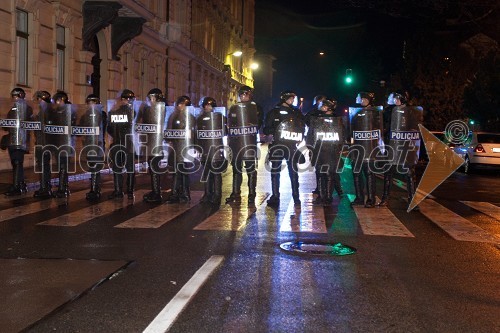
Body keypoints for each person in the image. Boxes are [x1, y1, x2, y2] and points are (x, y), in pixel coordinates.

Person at [379, 91, 422, 211]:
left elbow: (415, 128)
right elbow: (383, 126)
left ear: (400, 99)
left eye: (394, 98)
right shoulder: (388, 112)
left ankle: (412, 200)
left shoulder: (410, 112)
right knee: (388, 173)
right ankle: (385, 198)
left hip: (405, 147)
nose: (392, 99)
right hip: (391, 146)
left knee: (409, 174)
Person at [263, 90, 305, 206]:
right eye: (290, 98)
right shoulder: (274, 112)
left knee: (293, 171)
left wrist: (300, 135)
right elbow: (266, 128)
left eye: (293, 98)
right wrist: (275, 131)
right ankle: (275, 196)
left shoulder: (296, 112)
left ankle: (296, 196)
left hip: (291, 146)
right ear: (284, 99)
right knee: (275, 171)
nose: (292, 101)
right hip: (277, 145)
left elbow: (302, 125)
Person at [225, 86, 261, 205]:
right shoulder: (234, 108)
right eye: (241, 95)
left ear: (250, 95)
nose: (243, 97)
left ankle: (252, 195)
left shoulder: (256, 108)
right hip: (236, 144)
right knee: (236, 170)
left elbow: (259, 123)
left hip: (249, 144)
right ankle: (235, 193)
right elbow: (229, 124)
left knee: (251, 170)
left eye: (245, 94)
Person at [308, 99, 345, 205]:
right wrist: (310, 148)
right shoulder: (316, 119)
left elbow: (342, 135)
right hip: (319, 150)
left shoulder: (336, 120)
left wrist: (339, 148)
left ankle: (328, 196)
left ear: (329, 107)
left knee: (329, 174)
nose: (321, 107)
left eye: (323, 106)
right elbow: (311, 134)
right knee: (319, 173)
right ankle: (320, 195)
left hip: (331, 150)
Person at [349, 91, 382, 208]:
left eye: (364, 99)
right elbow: (352, 131)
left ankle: (371, 199)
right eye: (361, 99)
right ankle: (359, 197)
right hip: (358, 149)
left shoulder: (375, 113)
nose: (361, 101)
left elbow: (380, 130)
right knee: (357, 174)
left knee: (369, 174)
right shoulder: (356, 112)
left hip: (370, 149)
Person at [137, 88, 166, 203]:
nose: (150, 100)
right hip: (152, 144)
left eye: (151, 98)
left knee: (154, 168)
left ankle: (156, 193)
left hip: (156, 145)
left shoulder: (157, 110)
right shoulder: (157, 109)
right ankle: (155, 191)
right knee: (153, 168)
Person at [196, 97, 227, 206]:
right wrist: (197, 148)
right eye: (206, 105)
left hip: (216, 150)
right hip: (205, 150)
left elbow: (226, 131)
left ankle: (217, 195)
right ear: (203, 106)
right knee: (207, 173)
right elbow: (197, 135)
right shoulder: (199, 119)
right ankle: (207, 194)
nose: (208, 107)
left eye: (210, 105)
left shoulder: (219, 118)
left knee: (216, 173)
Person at [165, 95, 196, 204]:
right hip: (175, 148)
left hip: (186, 148)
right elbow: (168, 130)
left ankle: (185, 194)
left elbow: (193, 133)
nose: (181, 106)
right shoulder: (173, 116)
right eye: (179, 104)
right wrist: (169, 141)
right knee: (176, 172)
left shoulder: (190, 117)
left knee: (184, 172)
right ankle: (175, 194)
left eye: (183, 104)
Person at [2, 88, 33, 195]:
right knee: (15, 163)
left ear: (21, 96)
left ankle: (16, 187)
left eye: (16, 97)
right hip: (12, 140)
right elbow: (8, 125)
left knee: (17, 162)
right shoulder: (12, 109)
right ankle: (20, 183)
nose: (14, 99)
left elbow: (27, 123)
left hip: (20, 140)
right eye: (13, 97)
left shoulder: (27, 108)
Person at [107, 89, 137, 199]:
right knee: (129, 167)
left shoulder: (113, 112)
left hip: (117, 142)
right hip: (128, 142)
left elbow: (109, 128)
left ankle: (118, 191)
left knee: (117, 167)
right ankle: (129, 190)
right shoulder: (132, 112)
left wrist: (115, 135)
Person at [47, 91, 76, 198]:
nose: (56, 103)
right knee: (61, 166)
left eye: (57, 101)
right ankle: (64, 186)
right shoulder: (56, 111)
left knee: (63, 166)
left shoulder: (69, 111)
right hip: (58, 143)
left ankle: (62, 188)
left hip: (66, 143)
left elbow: (72, 127)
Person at [81, 94, 107, 201]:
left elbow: (103, 128)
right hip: (89, 143)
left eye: (91, 103)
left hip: (98, 143)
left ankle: (95, 190)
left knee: (96, 167)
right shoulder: (87, 113)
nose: (89, 105)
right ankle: (94, 188)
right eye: (88, 103)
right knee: (92, 167)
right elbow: (81, 125)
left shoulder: (102, 114)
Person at [304, 94, 327, 195]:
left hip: (326, 143)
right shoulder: (312, 113)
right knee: (318, 166)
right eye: (321, 101)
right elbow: (308, 122)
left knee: (327, 167)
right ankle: (319, 187)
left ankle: (328, 187)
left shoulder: (329, 112)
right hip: (315, 142)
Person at [32, 91, 53, 198]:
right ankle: (45, 187)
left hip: (44, 142)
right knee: (43, 165)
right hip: (43, 142)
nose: (37, 101)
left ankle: (45, 188)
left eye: (39, 99)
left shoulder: (45, 111)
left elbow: (42, 127)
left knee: (43, 165)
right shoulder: (44, 110)